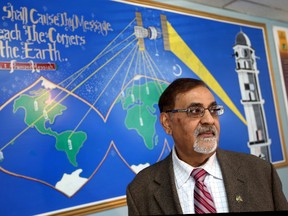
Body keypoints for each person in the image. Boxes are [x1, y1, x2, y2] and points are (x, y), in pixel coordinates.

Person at [126, 77, 288, 215]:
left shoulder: (261, 172)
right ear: (167, 123)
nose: (209, 120)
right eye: (195, 111)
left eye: (213, 109)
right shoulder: (141, 190)